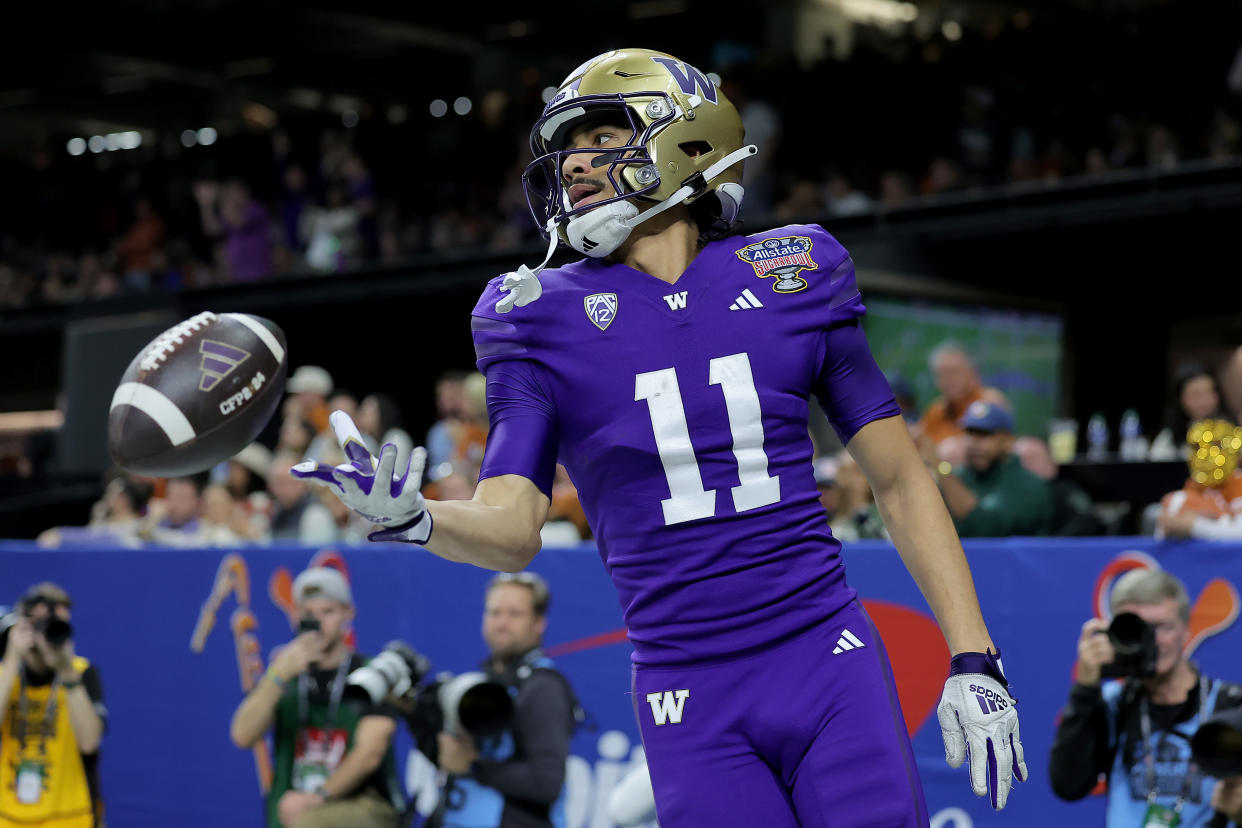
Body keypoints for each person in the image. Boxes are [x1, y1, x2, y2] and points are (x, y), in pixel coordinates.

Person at [295, 48, 1026, 825]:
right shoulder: (531, 315)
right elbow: (512, 526)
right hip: (685, 683)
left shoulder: (795, 272)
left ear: (687, 138)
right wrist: (420, 519)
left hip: (824, 655)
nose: (573, 167)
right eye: (569, 147)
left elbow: (903, 480)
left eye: (602, 140)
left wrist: (974, 654)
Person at [1049, 569, 1242, 827]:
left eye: (1164, 627)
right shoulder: (1112, 702)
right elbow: (1068, 784)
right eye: (1140, 630)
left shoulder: (1230, 704)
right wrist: (1085, 687)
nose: (1155, 641)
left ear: (1186, 630)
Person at [228, 567, 404, 828]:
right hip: (291, 808)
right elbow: (242, 735)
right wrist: (276, 676)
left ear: (348, 613)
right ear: (295, 617)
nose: (318, 623)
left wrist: (316, 797)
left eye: (328, 612)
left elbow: (371, 753)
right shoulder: (284, 677)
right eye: (308, 614)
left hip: (361, 805)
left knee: (310, 823)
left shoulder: (371, 674)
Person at [429, 572, 577, 828]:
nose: (501, 623)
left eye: (514, 614)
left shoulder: (543, 687)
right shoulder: (485, 681)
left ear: (539, 622)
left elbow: (545, 783)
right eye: (494, 612)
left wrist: (474, 765)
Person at [0, 583, 107, 828]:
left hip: (72, 818)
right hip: (9, 818)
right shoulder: (6, 676)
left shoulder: (81, 673)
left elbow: (90, 742)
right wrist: (12, 656)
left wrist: (65, 670)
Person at [925, 400, 1053, 537]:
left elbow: (986, 528)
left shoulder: (1029, 484)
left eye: (984, 434)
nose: (974, 442)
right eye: (970, 433)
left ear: (1007, 441)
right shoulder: (959, 475)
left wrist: (940, 467)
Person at [1156, 419, 1242, 540]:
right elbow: (1161, 536)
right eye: (1197, 447)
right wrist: (1170, 525)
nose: (1206, 454)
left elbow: (1239, 533)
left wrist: (1195, 526)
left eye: (1216, 446)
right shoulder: (1189, 489)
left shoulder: (1238, 481)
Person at [1013, 436, 1106, 536]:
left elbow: (1087, 521)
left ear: (1052, 464)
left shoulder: (1066, 492)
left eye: (1033, 458)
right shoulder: (1009, 496)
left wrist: (1052, 544)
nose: (1027, 464)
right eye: (1022, 459)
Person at [918, 341, 1007, 446]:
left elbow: (1003, 445)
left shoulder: (989, 401)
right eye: (942, 374)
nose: (949, 379)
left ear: (972, 372)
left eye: (955, 371)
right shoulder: (935, 411)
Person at [1149, 362, 1232, 461]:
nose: (1204, 400)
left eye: (1210, 391)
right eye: (1196, 394)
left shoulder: (1231, 431)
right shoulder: (1168, 439)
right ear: (1180, 399)